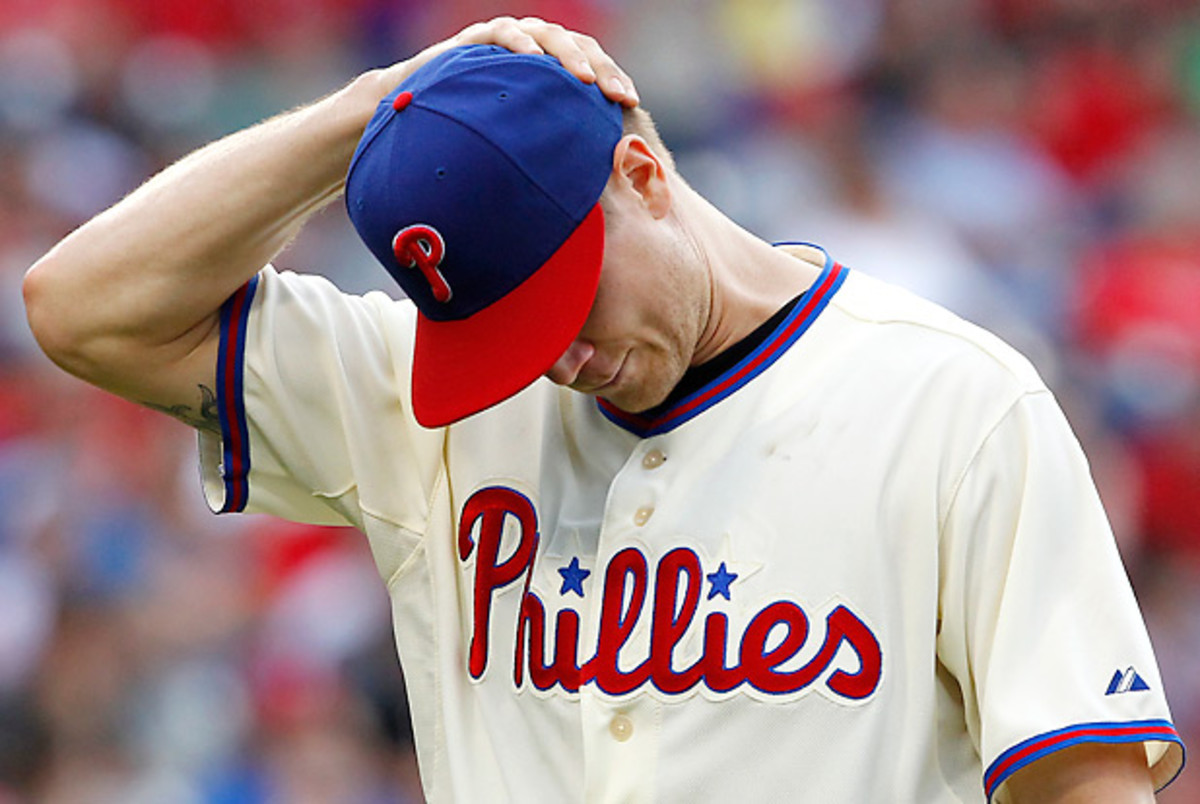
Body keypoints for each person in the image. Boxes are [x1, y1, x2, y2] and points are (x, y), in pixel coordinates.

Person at [22, 15, 1185, 803]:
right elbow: (85, 309)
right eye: (501, 334)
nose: (557, 358)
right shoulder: (417, 403)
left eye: (564, 301)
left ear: (642, 175)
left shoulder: (953, 404)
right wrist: (388, 107)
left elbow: (1082, 780)